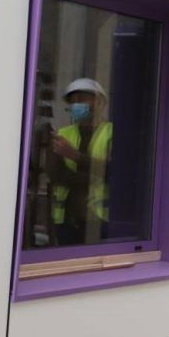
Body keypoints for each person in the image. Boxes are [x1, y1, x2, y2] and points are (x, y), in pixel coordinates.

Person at [48, 78, 113, 245]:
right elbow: (57, 175)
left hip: (100, 222)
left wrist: (74, 156)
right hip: (67, 220)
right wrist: (96, 174)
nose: (77, 104)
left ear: (99, 102)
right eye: (73, 101)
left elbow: (115, 173)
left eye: (83, 99)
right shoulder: (62, 134)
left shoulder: (112, 132)